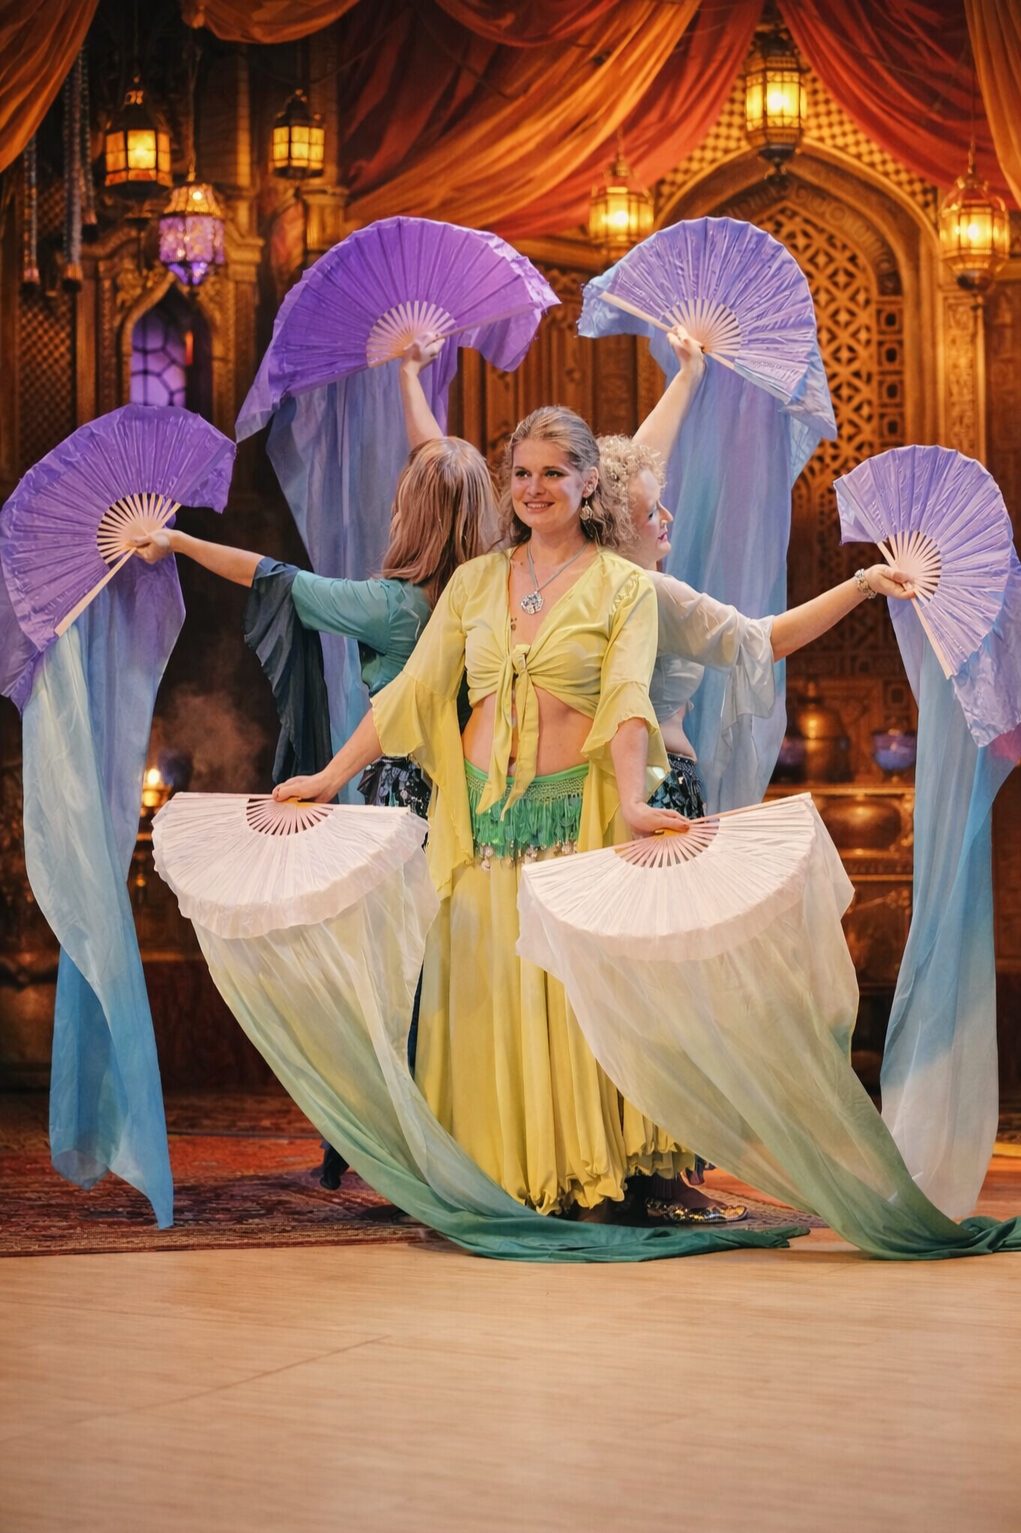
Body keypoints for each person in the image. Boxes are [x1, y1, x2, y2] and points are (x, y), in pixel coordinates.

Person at [273, 406, 697, 1221]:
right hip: (479, 823)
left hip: (577, 821)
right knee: (484, 995)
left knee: (567, 998)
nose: (533, 488)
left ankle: (580, 1174)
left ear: (587, 483)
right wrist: (328, 776)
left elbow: (626, 698)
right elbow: (413, 692)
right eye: (521, 473)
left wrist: (633, 800)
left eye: (552, 473)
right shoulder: (473, 582)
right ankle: (493, 1175)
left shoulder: (623, 587)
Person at [132, 337, 495, 1186]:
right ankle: (466, 1134)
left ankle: (406, 1143)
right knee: (460, 973)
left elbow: (270, 577)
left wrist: (178, 542)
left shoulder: (390, 607)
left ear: (410, 514)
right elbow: (448, 471)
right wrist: (409, 379)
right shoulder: (493, 583)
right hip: (482, 793)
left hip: (403, 801)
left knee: (396, 975)